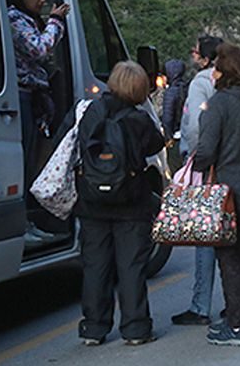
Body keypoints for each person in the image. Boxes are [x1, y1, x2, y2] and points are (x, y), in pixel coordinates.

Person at [73, 61, 165, 346]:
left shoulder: (90, 111)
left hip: (92, 201)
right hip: (131, 202)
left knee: (95, 265)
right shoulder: (139, 120)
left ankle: (93, 328)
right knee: (131, 266)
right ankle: (136, 328)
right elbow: (156, 145)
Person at [192, 43, 240, 346]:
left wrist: (196, 165)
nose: (213, 72)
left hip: (231, 192)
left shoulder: (219, 104)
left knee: (229, 258)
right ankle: (239, 315)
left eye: (217, 66)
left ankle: (237, 326)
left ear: (224, 72)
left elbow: (206, 150)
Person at [6, 0, 69, 245]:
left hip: (33, 98)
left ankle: (29, 220)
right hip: (21, 97)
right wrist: (55, 22)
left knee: (32, 164)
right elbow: (39, 49)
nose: (42, 0)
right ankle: (21, 224)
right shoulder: (14, 20)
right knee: (23, 165)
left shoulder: (29, 18)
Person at [172, 35, 224, 326]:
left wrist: (196, 160)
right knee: (234, 239)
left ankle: (201, 306)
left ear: (206, 59)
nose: (192, 56)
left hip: (209, 169)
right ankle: (237, 306)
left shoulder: (201, 83)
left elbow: (194, 128)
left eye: (195, 52)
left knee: (206, 237)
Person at [161, 58, 187, 143]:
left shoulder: (170, 93)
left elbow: (167, 118)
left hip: (176, 134)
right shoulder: (186, 88)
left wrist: (168, 138)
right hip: (186, 131)